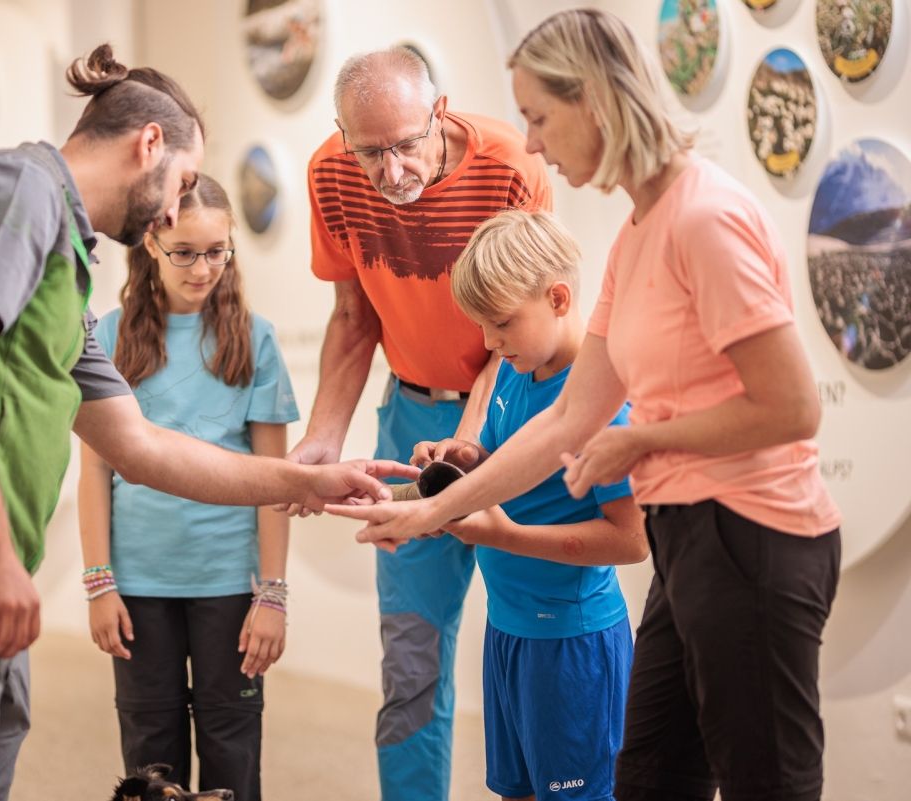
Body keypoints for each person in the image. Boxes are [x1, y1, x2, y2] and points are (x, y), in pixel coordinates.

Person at [0, 46, 412, 801]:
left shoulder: (63, 267)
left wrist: (306, 477)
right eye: (184, 183)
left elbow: (141, 447)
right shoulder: (18, 189)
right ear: (149, 145)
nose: (175, 210)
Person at [328, 10, 843, 801]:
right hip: (688, 537)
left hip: (757, 533)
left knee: (762, 779)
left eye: (539, 117)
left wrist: (638, 444)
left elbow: (793, 406)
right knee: (649, 778)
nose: (529, 143)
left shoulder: (704, 217)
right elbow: (568, 420)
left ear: (596, 102)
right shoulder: (639, 231)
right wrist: (429, 514)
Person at [285, 46, 551, 801]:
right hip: (407, 417)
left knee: (531, 638)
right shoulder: (330, 176)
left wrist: (472, 439)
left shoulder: (509, 168)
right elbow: (352, 314)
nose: (391, 169)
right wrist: (323, 436)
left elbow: (522, 325)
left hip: (510, 407)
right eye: (369, 151)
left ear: (440, 114)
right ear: (341, 136)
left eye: (406, 144)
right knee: (412, 657)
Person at [409, 209, 646, 801]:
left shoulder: (603, 404)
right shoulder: (519, 369)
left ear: (559, 297)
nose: (489, 343)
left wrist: (503, 534)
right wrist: (462, 457)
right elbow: (504, 462)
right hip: (509, 627)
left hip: (573, 645)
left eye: (502, 324)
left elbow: (632, 541)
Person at [78, 174, 296, 801]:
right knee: (150, 765)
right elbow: (95, 468)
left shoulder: (255, 340)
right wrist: (99, 581)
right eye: (186, 253)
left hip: (230, 586)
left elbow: (273, 482)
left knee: (233, 753)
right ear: (151, 243)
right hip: (139, 587)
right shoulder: (108, 336)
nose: (204, 269)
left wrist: (273, 596)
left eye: (218, 252)